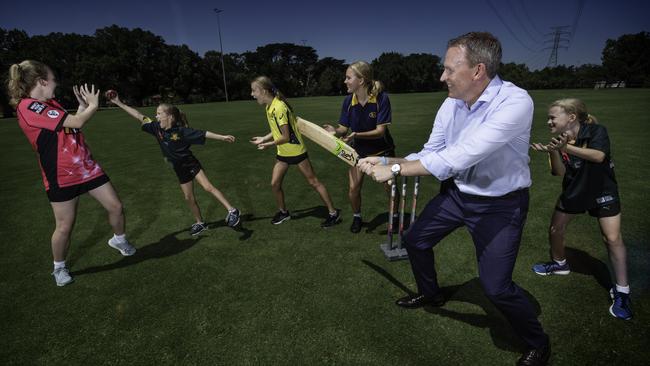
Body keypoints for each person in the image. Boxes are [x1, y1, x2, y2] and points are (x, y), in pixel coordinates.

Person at [358, 33, 550, 365]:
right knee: (416, 241)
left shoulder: (516, 102)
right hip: (457, 195)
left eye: (449, 69)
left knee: (496, 288)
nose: (442, 77)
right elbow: (433, 152)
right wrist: (389, 161)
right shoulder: (451, 103)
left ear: (477, 70)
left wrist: (397, 171)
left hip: (500, 206)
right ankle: (431, 294)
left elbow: (459, 157)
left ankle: (537, 342)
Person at [7, 60, 136, 287]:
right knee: (65, 226)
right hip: (62, 175)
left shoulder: (50, 103)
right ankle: (59, 267)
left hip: (86, 167)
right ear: (42, 81)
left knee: (115, 206)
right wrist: (93, 106)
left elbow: (69, 127)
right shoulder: (29, 106)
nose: (56, 83)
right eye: (53, 79)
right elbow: (76, 122)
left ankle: (119, 240)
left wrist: (81, 106)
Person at [530, 98, 632, 320]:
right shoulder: (559, 140)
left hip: (602, 190)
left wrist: (565, 147)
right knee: (555, 229)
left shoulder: (596, 131)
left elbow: (599, 156)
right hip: (575, 191)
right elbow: (558, 172)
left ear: (571, 117)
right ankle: (559, 265)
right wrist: (553, 151)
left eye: (552, 117)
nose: (548, 121)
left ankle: (622, 292)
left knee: (612, 239)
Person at [108, 92, 241, 234]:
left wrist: (222, 137)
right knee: (188, 197)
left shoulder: (181, 131)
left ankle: (232, 210)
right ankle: (200, 223)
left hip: (189, 163)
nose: (156, 116)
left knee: (207, 187)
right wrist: (119, 103)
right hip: (178, 168)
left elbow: (203, 133)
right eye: (156, 113)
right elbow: (138, 115)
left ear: (169, 117)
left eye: (159, 113)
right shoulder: (155, 128)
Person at [249, 76, 341, 228]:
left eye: (254, 91)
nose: (252, 94)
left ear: (264, 91)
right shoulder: (269, 107)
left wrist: (267, 144)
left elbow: (285, 136)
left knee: (313, 182)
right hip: (283, 153)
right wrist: (263, 138)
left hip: (296, 150)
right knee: (275, 183)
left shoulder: (279, 107)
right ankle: (283, 212)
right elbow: (276, 130)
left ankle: (333, 213)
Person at [323, 61, 396, 233]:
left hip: (382, 151)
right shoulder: (348, 101)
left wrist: (356, 134)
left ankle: (395, 215)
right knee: (353, 188)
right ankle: (357, 217)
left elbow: (380, 131)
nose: (345, 81)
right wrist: (335, 130)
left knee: (389, 186)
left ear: (361, 80)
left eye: (349, 78)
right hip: (358, 153)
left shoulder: (381, 98)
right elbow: (343, 128)